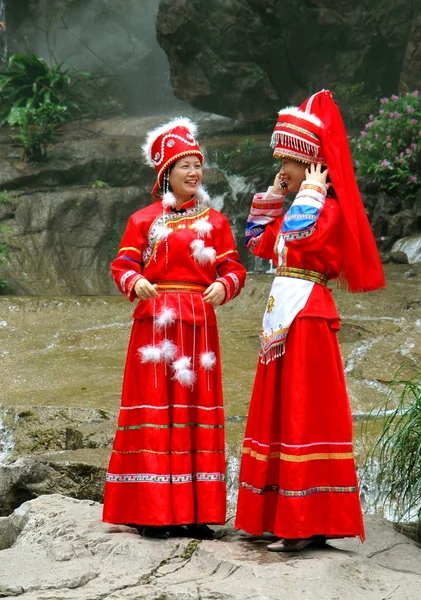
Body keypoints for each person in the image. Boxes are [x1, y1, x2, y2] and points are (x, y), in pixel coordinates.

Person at [235, 90, 385, 551]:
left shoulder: (328, 207)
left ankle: (303, 521)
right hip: (284, 310)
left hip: (309, 314)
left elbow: (299, 238)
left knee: (304, 411)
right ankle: (277, 513)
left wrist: (314, 190)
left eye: (289, 161)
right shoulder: (301, 202)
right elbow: (258, 242)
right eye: (279, 159)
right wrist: (276, 193)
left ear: (312, 164)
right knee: (279, 410)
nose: (282, 168)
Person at [103, 117, 246, 539]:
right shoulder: (144, 219)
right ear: (166, 172)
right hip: (155, 324)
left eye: (197, 165)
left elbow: (234, 267)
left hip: (199, 325)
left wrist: (224, 284)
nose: (194, 173)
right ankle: (151, 511)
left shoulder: (216, 222)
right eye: (185, 165)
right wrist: (136, 281)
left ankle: (195, 513)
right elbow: (122, 265)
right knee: (155, 410)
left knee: (194, 412)